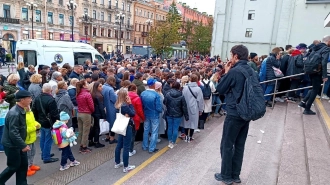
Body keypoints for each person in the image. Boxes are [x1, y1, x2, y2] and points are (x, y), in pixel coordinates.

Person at [215, 45, 254, 184]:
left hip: (234, 112)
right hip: (247, 111)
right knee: (239, 145)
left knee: (226, 144)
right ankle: (235, 175)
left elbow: (220, 88)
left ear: (236, 56)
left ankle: (226, 175)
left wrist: (226, 72)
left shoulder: (235, 71)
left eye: (231, 55)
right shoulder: (250, 69)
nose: (230, 58)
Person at [0, 90, 32, 185]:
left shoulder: (20, 110)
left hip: (17, 144)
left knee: (23, 165)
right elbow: (13, 133)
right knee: (13, 166)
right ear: (22, 100)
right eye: (29, 98)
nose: (30, 100)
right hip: (12, 145)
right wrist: (23, 145)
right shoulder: (15, 113)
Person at [299, 36, 330, 115]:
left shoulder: (315, 47)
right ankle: (307, 108)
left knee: (313, 88)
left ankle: (303, 102)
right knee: (315, 90)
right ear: (328, 41)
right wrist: (324, 75)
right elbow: (324, 62)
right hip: (317, 71)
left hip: (310, 70)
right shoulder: (326, 49)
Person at [32, 83, 60, 163]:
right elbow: (54, 114)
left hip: (40, 122)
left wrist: (37, 121)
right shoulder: (51, 100)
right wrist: (57, 122)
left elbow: (34, 110)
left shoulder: (37, 98)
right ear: (51, 90)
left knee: (42, 139)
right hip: (49, 122)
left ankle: (44, 154)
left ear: (42, 90)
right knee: (48, 140)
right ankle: (46, 157)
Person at [114, 89, 136, 173]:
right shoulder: (125, 106)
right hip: (127, 126)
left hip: (120, 125)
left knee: (119, 145)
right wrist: (130, 104)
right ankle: (126, 166)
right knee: (126, 147)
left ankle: (117, 162)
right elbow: (133, 113)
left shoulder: (117, 104)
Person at [164, 82, 189, 148]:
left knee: (169, 127)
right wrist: (186, 116)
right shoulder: (181, 95)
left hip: (169, 113)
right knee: (175, 128)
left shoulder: (168, 94)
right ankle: (173, 142)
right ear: (178, 87)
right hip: (178, 114)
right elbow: (184, 106)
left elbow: (164, 102)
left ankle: (170, 141)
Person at [140, 78, 162, 154]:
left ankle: (144, 146)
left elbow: (141, 105)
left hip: (146, 113)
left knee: (146, 130)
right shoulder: (156, 95)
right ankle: (151, 148)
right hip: (154, 114)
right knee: (154, 131)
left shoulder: (143, 93)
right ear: (153, 84)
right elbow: (159, 107)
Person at [182, 74, 204, 142]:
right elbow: (200, 100)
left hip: (185, 107)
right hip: (194, 107)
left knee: (186, 122)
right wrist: (201, 110)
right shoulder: (198, 89)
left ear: (190, 79)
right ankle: (190, 137)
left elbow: (182, 97)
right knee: (193, 123)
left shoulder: (185, 87)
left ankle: (185, 136)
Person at [76, 79, 94, 153]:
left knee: (80, 130)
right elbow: (91, 105)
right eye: (86, 84)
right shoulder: (87, 94)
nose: (88, 85)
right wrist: (92, 111)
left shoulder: (78, 93)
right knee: (86, 131)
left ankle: (81, 145)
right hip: (86, 114)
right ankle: (84, 146)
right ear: (83, 86)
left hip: (79, 112)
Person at [127, 84, 145, 156]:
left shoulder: (125, 96)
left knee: (127, 134)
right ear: (134, 90)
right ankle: (130, 150)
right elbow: (140, 110)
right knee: (133, 134)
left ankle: (127, 148)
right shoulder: (137, 98)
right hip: (134, 118)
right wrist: (143, 118)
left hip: (126, 117)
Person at [89, 82, 106, 148]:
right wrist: (104, 116)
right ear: (96, 87)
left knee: (93, 127)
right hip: (98, 113)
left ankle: (90, 140)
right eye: (100, 86)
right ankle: (96, 142)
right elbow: (101, 107)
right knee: (97, 128)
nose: (102, 88)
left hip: (94, 112)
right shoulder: (99, 96)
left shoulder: (93, 94)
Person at [25, 106, 41, 176]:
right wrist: (34, 128)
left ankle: (31, 165)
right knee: (27, 155)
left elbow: (33, 121)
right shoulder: (21, 114)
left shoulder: (30, 112)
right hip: (27, 139)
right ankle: (27, 169)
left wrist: (38, 124)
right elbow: (24, 129)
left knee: (33, 152)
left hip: (32, 137)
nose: (29, 106)